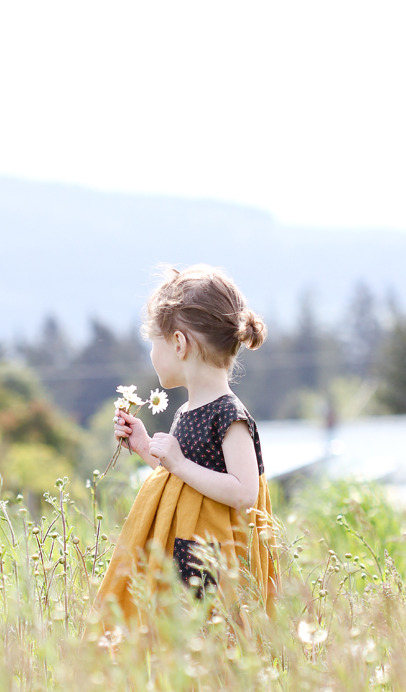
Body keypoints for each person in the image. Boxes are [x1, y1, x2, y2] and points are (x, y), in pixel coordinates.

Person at [91, 264, 280, 628]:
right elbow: (180, 482)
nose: (151, 355)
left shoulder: (230, 417)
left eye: (153, 344)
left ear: (179, 344)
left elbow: (244, 492)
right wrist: (144, 445)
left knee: (211, 640)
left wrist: (177, 463)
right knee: (179, 638)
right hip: (185, 545)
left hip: (213, 557)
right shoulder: (188, 411)